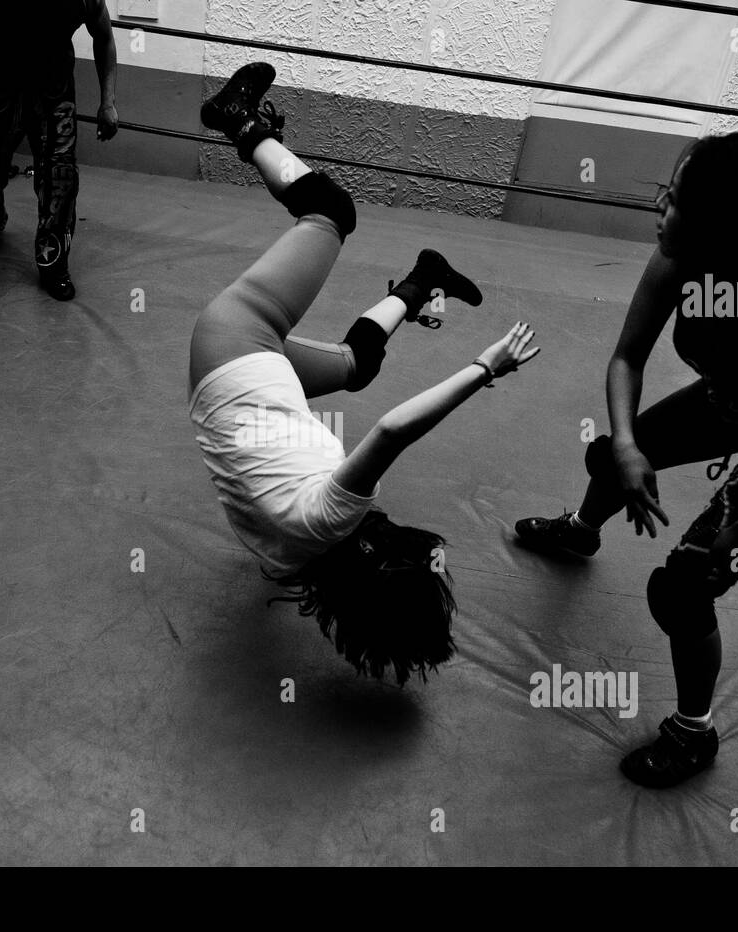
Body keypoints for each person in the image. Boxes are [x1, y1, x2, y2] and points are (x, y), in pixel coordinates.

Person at [514, 132, 738, 787]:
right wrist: (626, 444)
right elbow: (628, 358)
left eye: (675, 200)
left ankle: (692, 732)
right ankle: (581, 530)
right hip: (724, 402)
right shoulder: (679, 264)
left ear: (720, 227)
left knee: (684, 590)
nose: (660, 209)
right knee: (608, 454)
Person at [190, 63, 539, 686]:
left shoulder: (333, 520)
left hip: (237, 338)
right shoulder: (294, 559)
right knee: (356, 367)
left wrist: (487, 367)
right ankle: (424, 277)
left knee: (329, 211)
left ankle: (239, 121)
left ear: (379, 560)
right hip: (233, 383)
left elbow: (392, 431)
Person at [0, 0, 119, 300]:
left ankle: (52, 260)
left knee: (59, 177)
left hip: (52, 91)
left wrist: (108, 102)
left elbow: (103, 36)